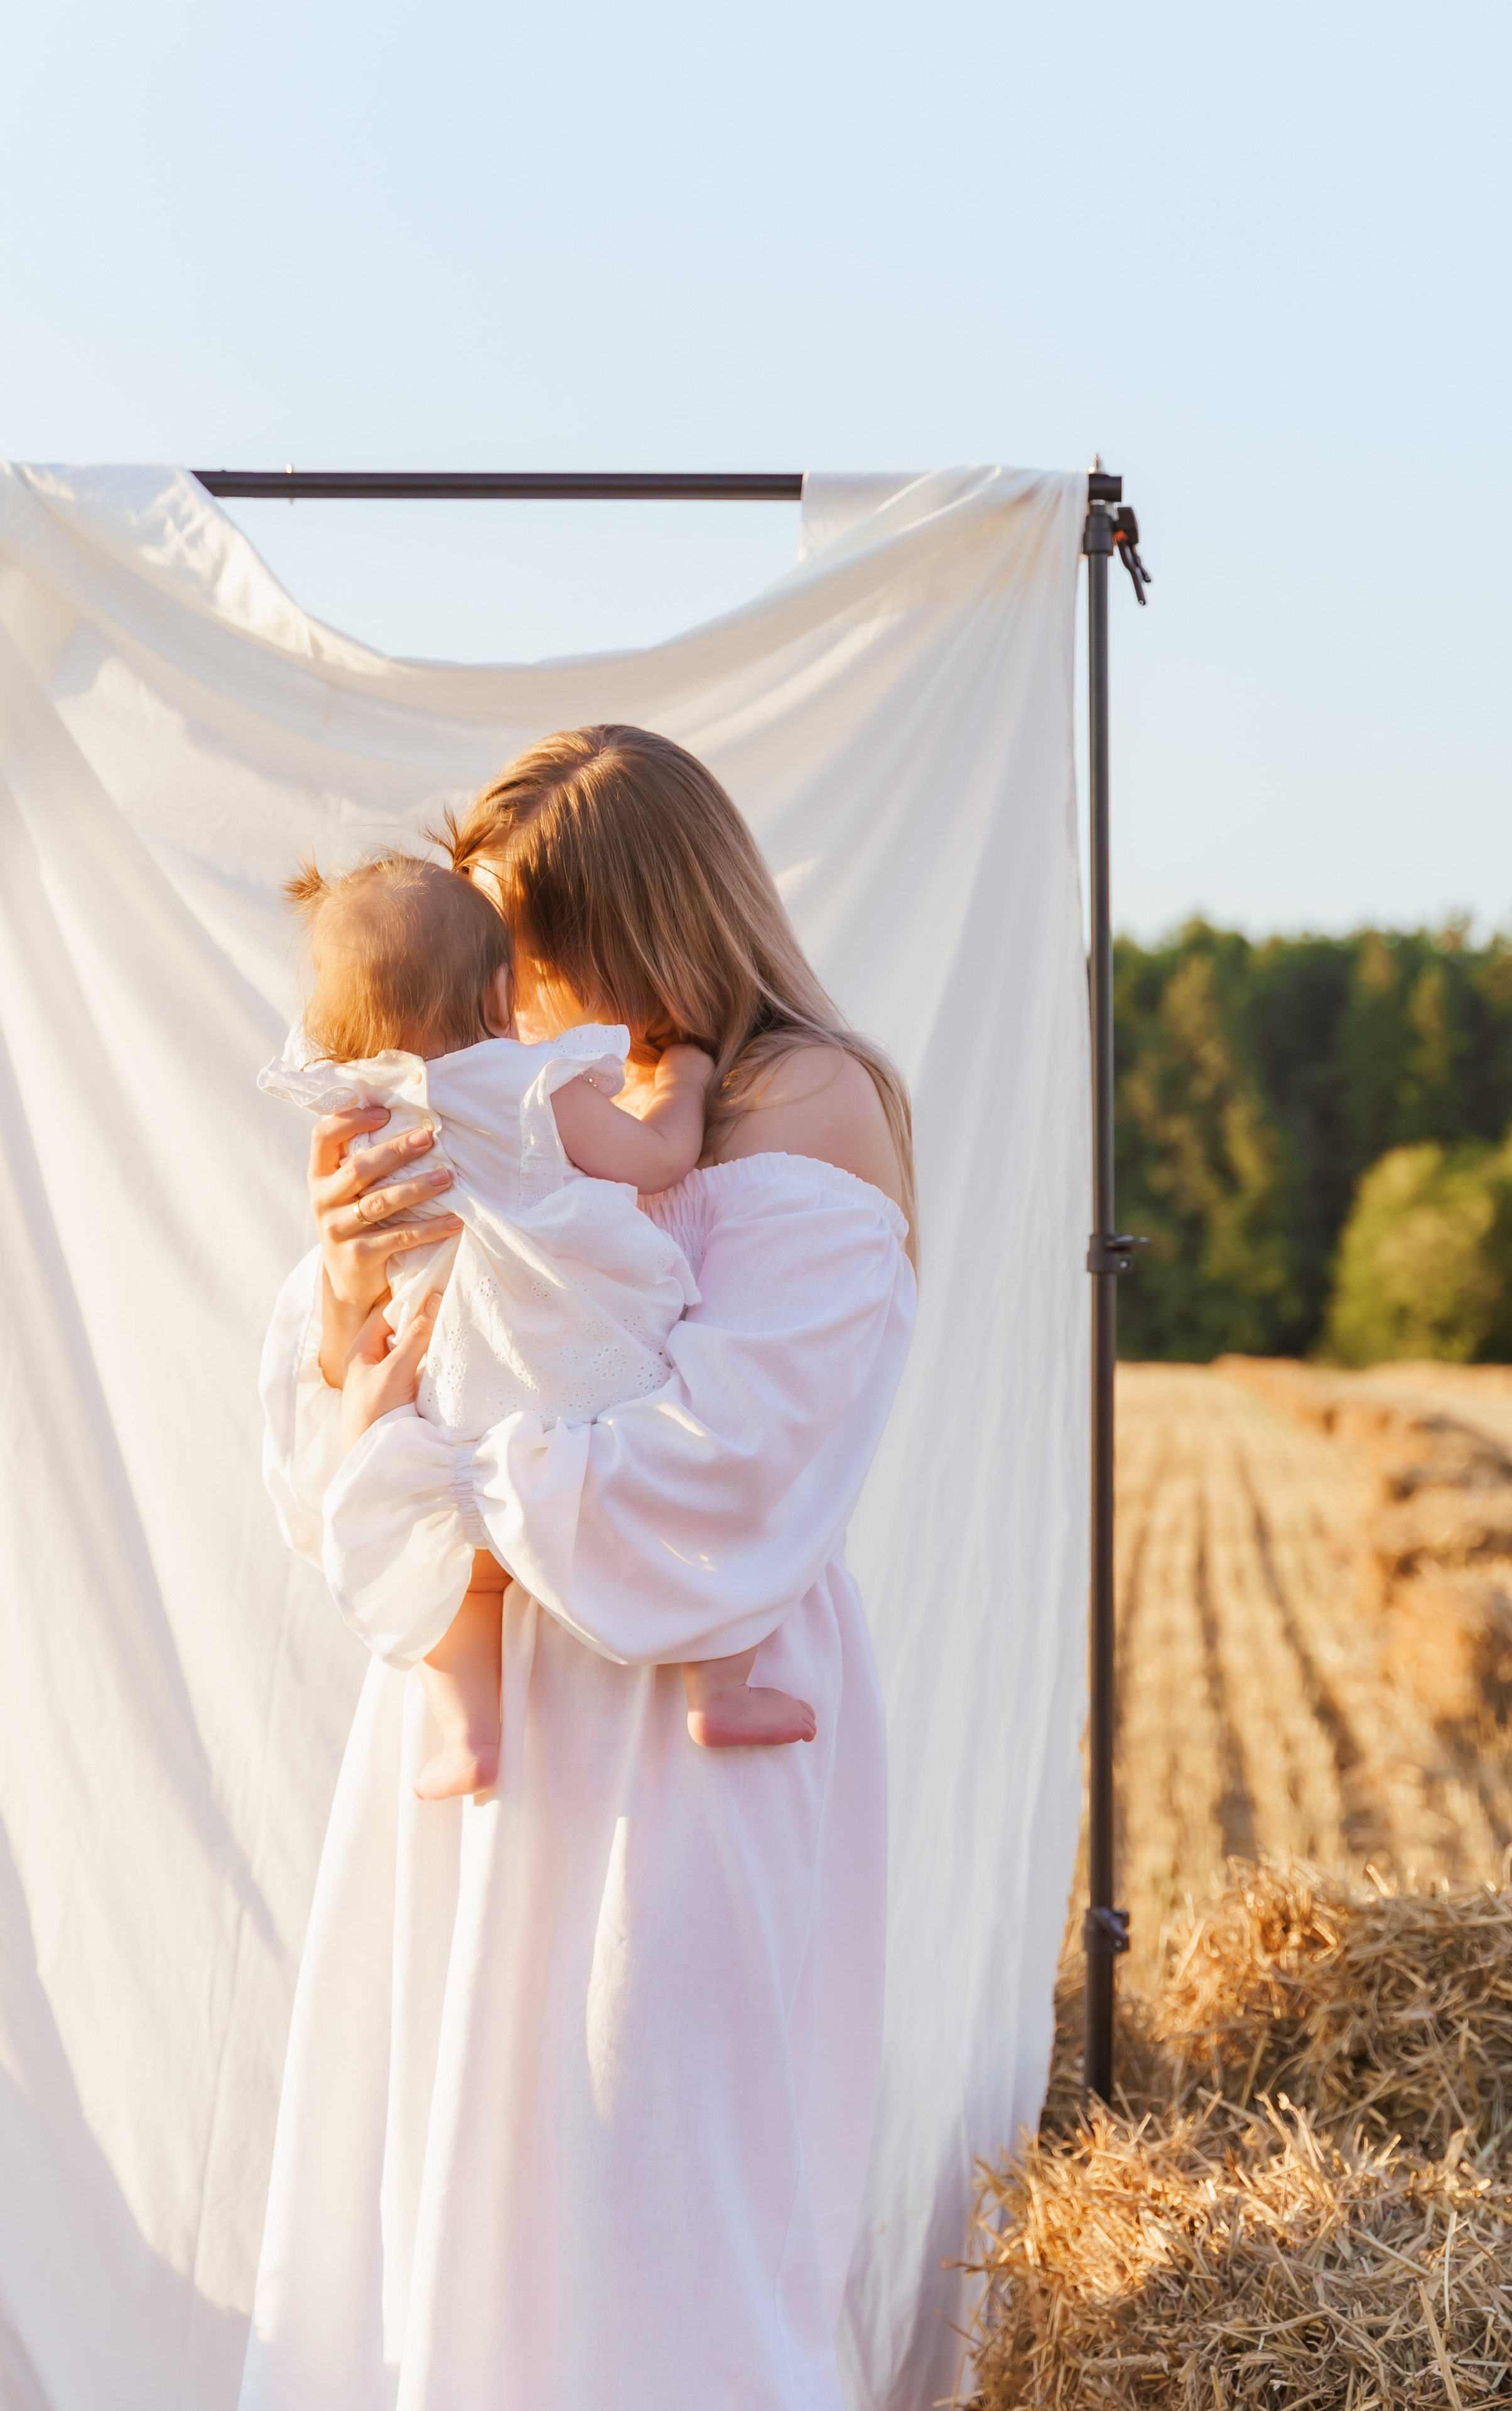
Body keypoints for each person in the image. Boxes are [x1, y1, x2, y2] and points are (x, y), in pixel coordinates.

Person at [242, 725, 917, 2411]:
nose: (498, 999)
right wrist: (345, 1289)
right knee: (445, 2177)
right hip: (484, 1707)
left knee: (655, 2200)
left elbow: (748, 1453)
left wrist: (456, 1462)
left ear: (644, 925)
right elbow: (333, 1441)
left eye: (528, 953)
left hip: (671, 1720)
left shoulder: (797, 1099)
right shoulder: (514, 1107)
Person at [261, 849, 816, 1798]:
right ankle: (718, 1685)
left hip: (450, 1395)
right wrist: (682, 1076)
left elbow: (362, 1262)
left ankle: (470, 1730)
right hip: (581, 1370)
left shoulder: (356, 1121)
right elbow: (654, 1159)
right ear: (496, 995)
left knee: (462, 1569)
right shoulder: (524, 1085)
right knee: (699, 1518)